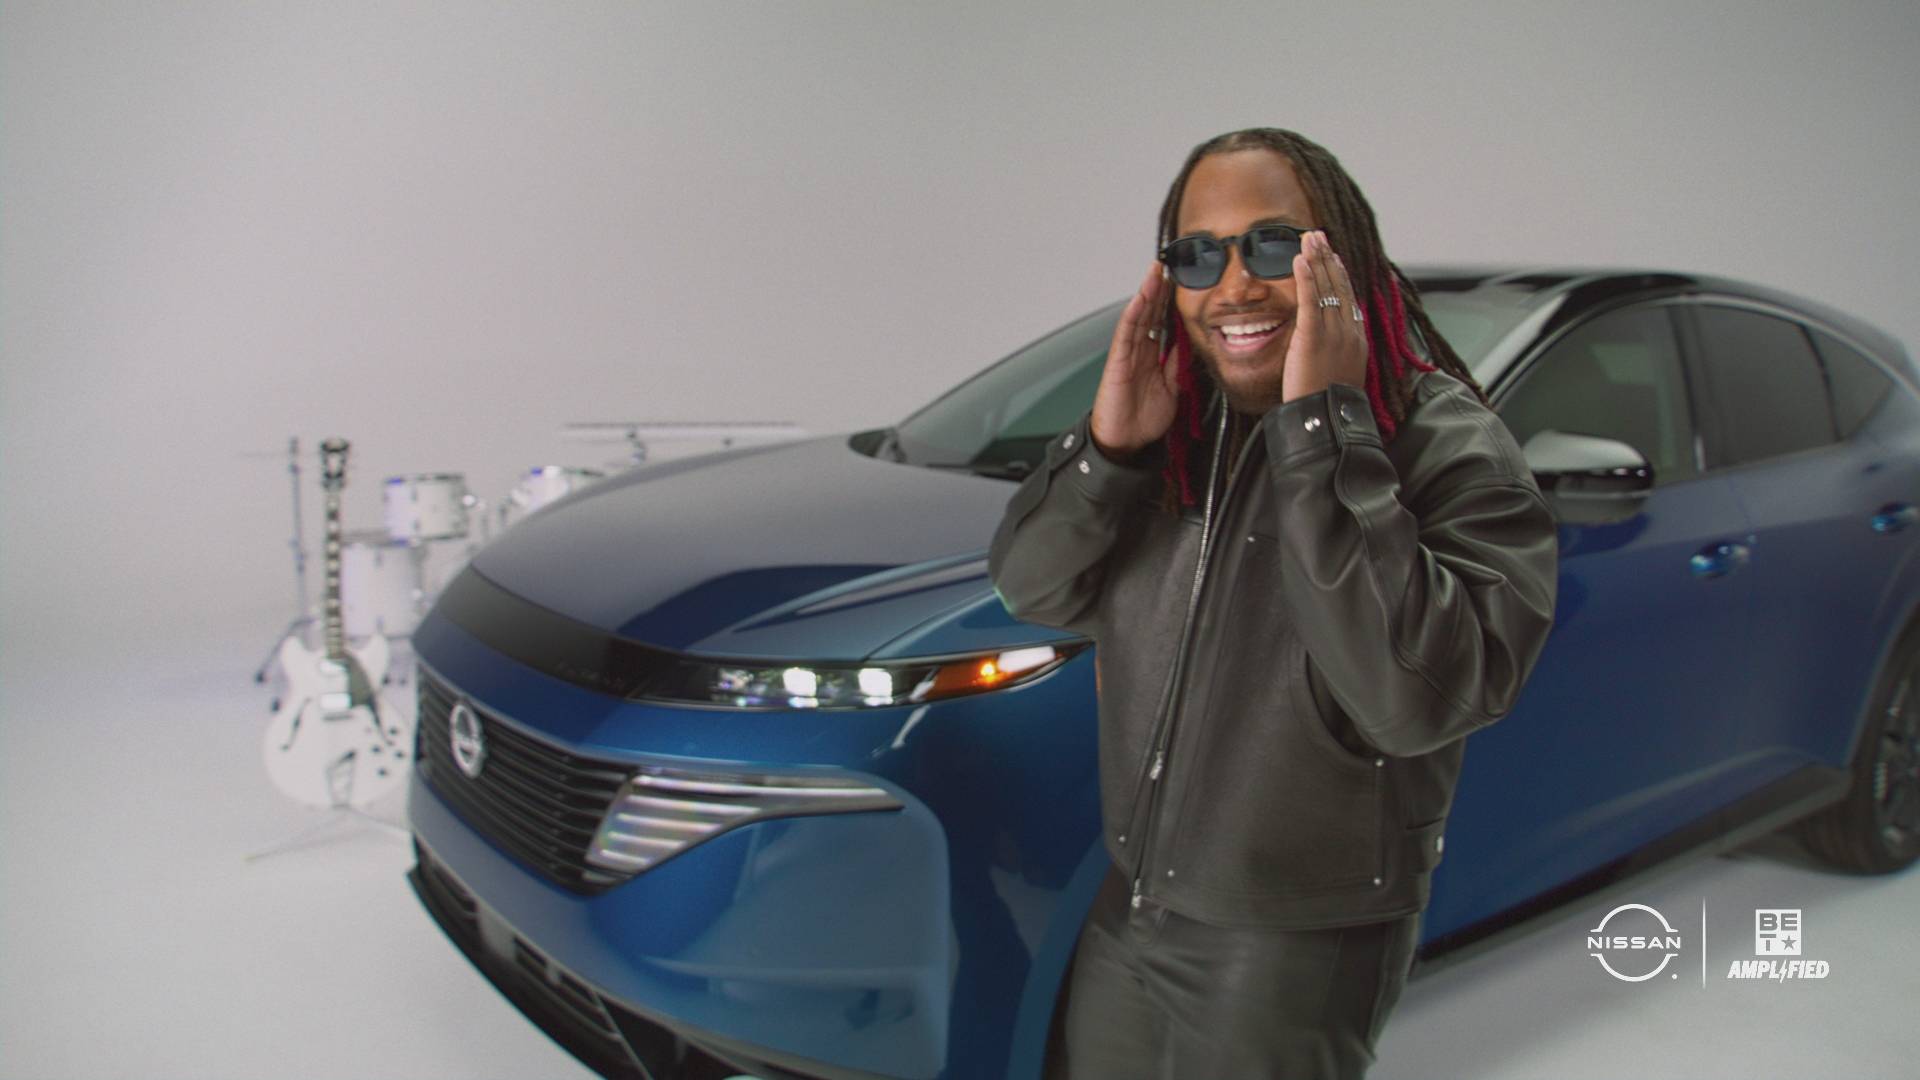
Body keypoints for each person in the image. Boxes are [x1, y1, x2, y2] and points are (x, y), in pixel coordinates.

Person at [986, 127, 1560, 1078]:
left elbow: (1417, 697)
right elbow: (1032, 587)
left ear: (1343, 259)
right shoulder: (1180, 433)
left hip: (1294, 933)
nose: (1233, 285)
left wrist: (1323, 432)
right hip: (1134, 894)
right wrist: (1108, 453)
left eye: (1271, 245)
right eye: (1197, 255)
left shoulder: (1445, 442)